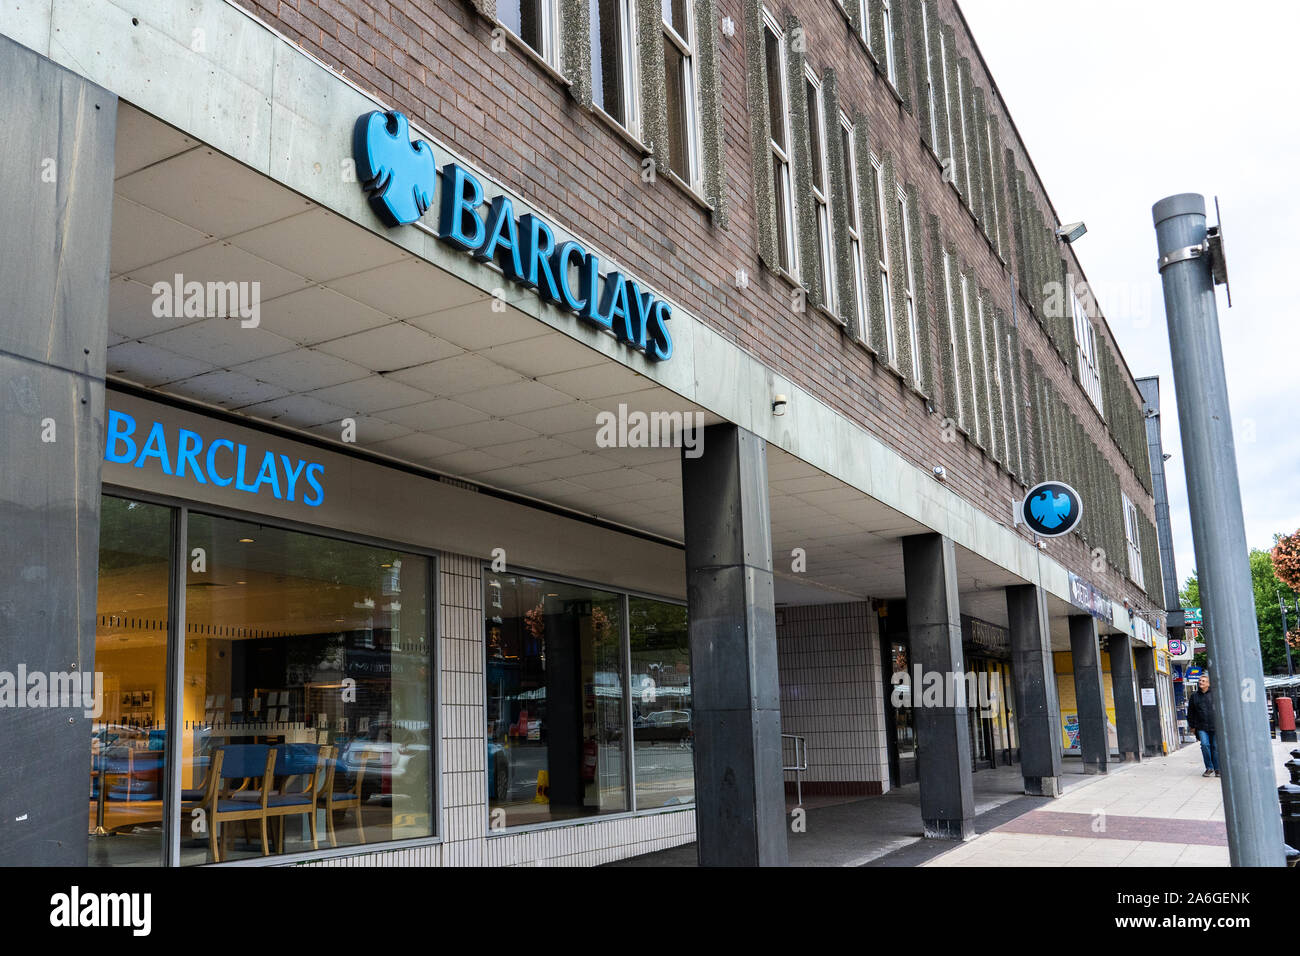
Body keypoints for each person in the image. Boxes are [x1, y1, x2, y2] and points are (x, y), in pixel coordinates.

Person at [1187, 672, 1219, 777]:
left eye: (1203, 681)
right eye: (1200, 680)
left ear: (1208, 684)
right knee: (1205, 745)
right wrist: (1191, 725)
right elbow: (1190, 712)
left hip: (1215, 726)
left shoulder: (1215, 695)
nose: (1201, 682)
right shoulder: (1194, 696)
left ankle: (1218, 768)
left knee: (1215, 746)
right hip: (1201, 726)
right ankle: (1209, 768)